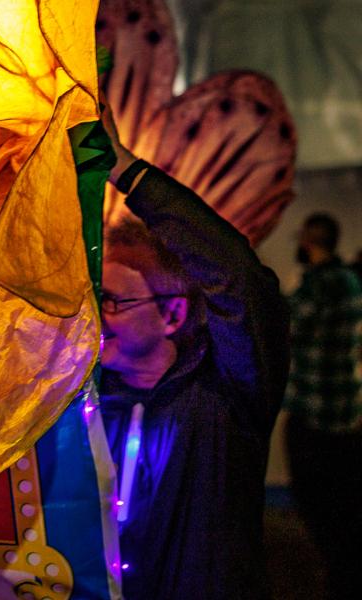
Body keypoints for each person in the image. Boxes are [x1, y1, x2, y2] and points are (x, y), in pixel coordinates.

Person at [98, 110, 289, 599]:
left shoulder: (224, 401)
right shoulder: (87, 405)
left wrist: (128, 172)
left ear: (173, 315)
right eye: (95, 301)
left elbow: (241, 281)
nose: (97, 318)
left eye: (115, 302)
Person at [284, 212, 362, 598]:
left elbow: (285, 326)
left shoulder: (322, 284)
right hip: (344, 415)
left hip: (317, 418)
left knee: (322, 510)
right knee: (342, 508)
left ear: (311, 240)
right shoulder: (347, 279)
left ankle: (340, 581)